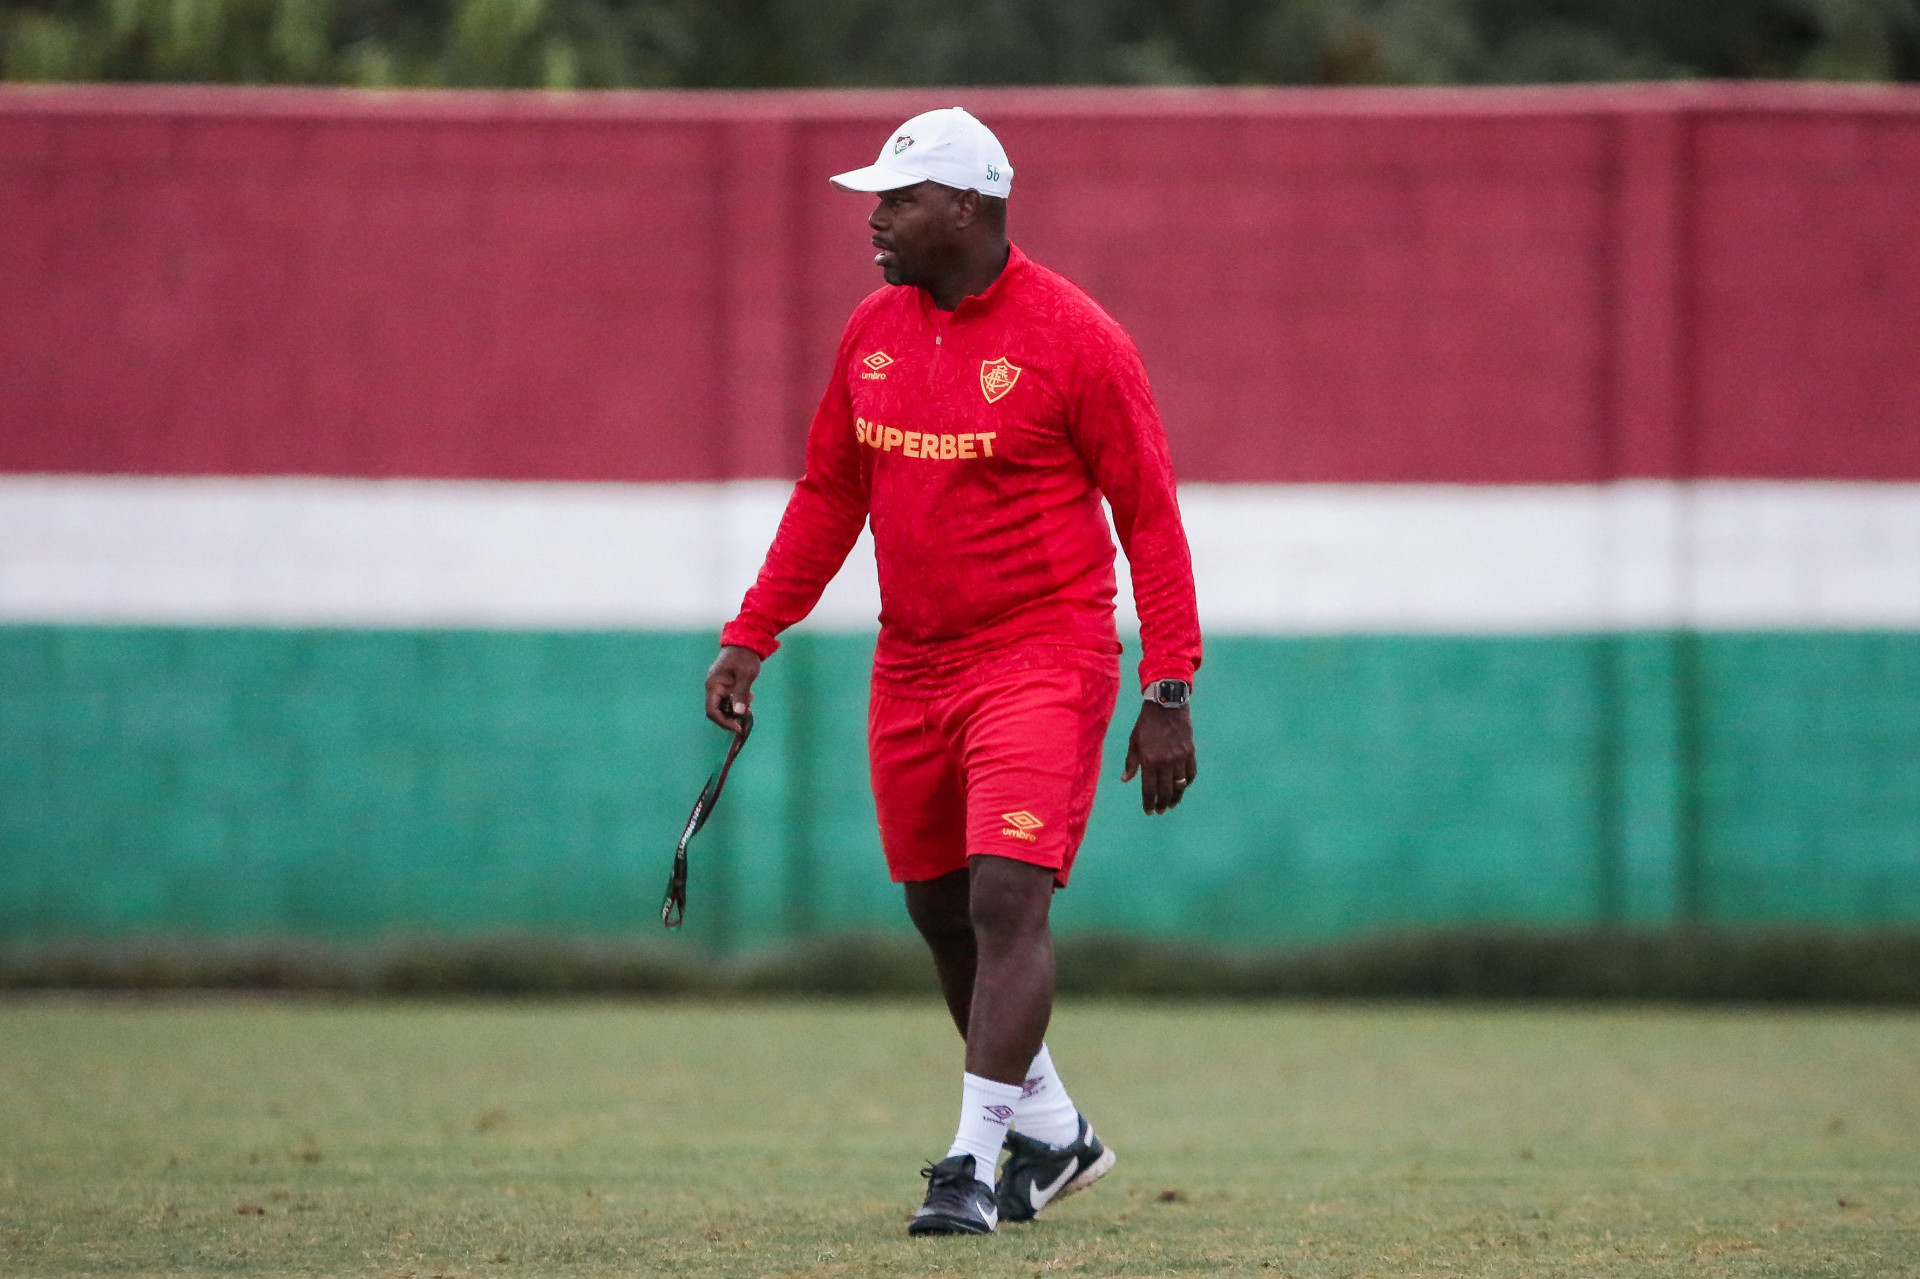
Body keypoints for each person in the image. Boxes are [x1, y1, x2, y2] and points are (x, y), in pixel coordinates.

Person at [704, 106, 1201, 1237]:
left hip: (1043, 652)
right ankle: (1057, 1132)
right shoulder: (872, 330)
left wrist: (1167, 687)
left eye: (898, 200)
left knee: (1004, 893)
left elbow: (1150, 517)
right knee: (940, 909)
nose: (875, 220)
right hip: (913, 660)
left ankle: (971, 1165)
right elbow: (832, 493)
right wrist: (754, 631)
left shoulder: (1077, 337)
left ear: (966, 208)